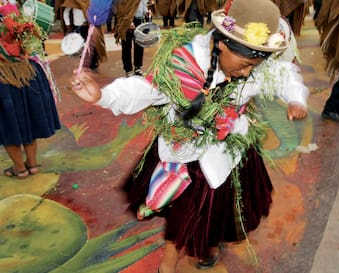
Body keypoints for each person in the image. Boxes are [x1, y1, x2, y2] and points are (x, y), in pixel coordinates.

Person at [70, 0, 308, 272]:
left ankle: (208, 246)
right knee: (187, 210)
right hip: (186, 152)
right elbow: (145, 90)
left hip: (230, 150)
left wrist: (295, 99)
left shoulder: (254, 64)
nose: (247, 72)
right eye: (244, 65)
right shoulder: (184, 64)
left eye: (254, 66)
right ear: (222, 44)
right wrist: (103, 95)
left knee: (220, 207)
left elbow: (284, 74)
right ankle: (167, 266)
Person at [1, 1, 61, 178]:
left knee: (8, 125)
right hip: (26, 72)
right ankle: (32, 164)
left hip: (4, 78)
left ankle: (20, 169)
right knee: (26, 120)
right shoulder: (15, 11)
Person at [114, 0, 149, 77]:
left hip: (140, 20)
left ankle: (138, 67)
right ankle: (128, 69)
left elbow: (143, 3)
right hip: (127, 20)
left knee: (139, 45)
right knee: (126, 46)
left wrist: (146, 12)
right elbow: (121, 7)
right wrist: (129, 22)